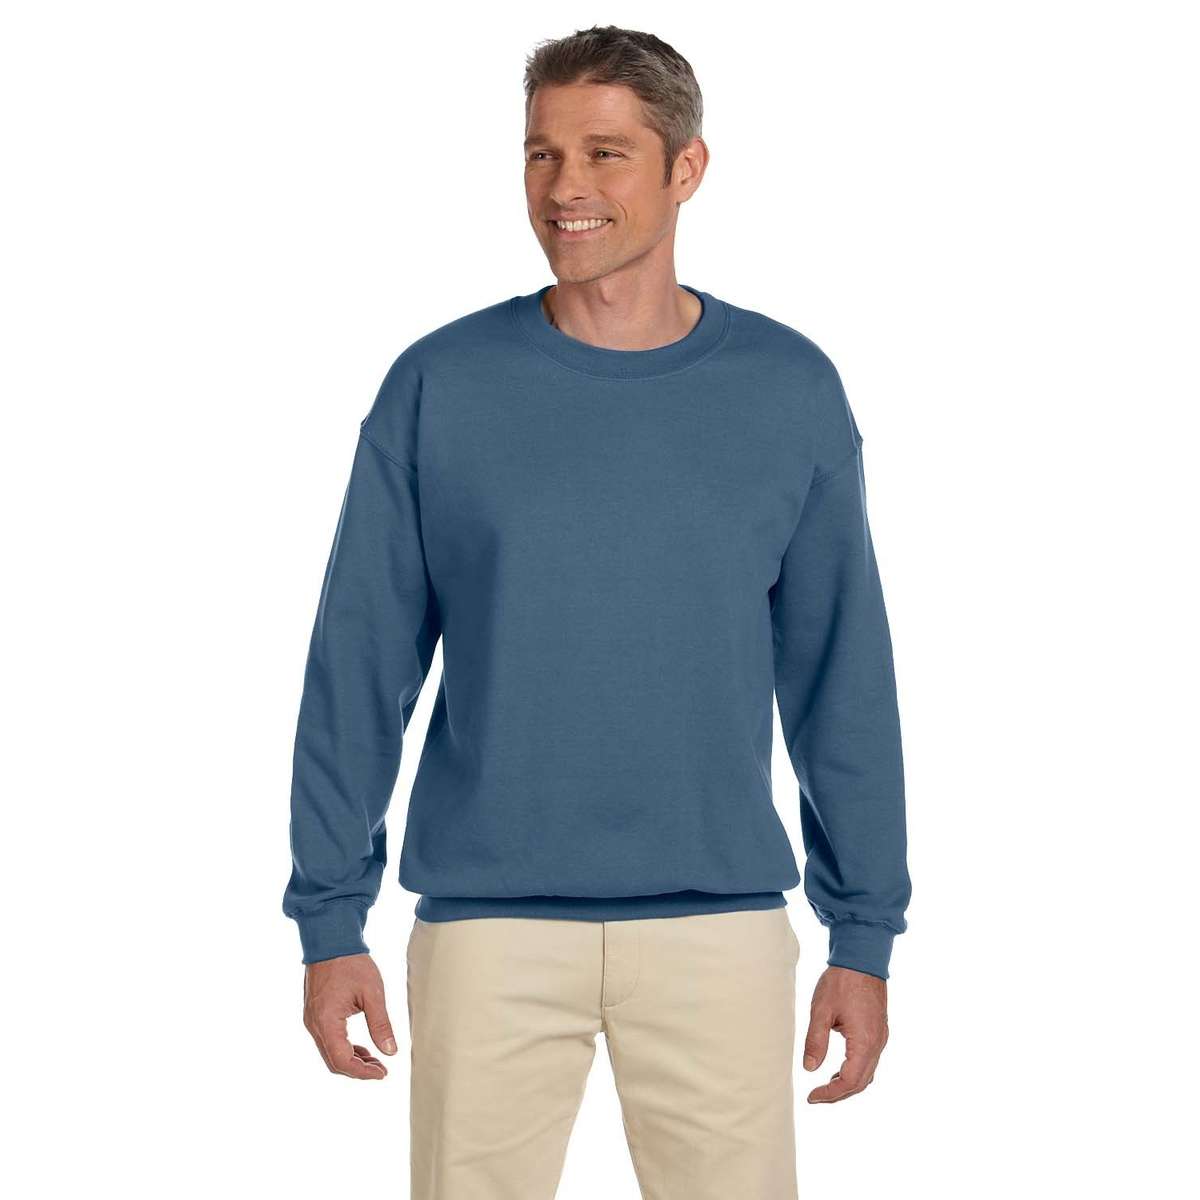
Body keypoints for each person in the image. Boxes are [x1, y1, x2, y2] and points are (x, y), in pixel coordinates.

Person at [284, 23, 911, 1199]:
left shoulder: (788, 391)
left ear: (687, 168)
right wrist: (330, 920)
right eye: (542, 153)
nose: (565, 187)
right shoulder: (438, 386)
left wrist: (863, 937)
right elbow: (357, 669)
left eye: (605, 153)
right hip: (486, 932)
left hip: (719, 929)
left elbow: (842, 685)